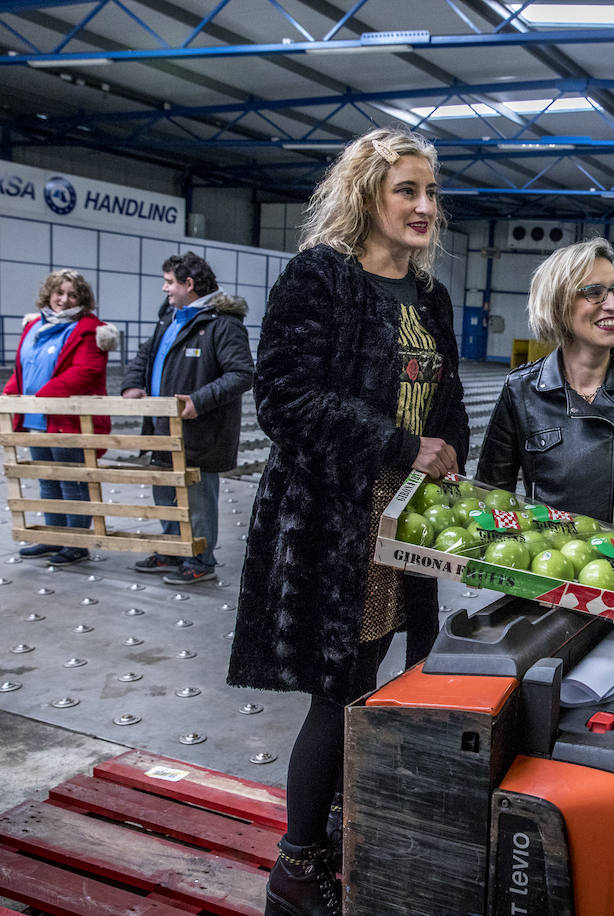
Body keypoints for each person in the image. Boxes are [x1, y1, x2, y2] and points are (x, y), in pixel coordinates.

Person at [226, 127, 469, 916]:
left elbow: (449, 399)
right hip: (336, 519)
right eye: (408, 190)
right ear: (367, 195)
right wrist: (402, 445)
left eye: (431, 192)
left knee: (399, 675)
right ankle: (298, 868)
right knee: (340, 688)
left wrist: (451, 452)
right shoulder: (318, 279)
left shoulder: (430, 297)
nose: (425, 206)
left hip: (408, 519)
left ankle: (342, 830)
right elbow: (284, 401)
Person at [475, 237, 614, 564]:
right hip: (546, 569)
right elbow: (492, 491)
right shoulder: (522, 390)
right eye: (595, 292)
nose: (613, 304)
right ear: (558, 304)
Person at [120, 252, 253, 585]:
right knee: (164, 492)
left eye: (169, 282)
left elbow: (241, 374)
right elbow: (147, 354)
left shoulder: (222, 323)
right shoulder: (170, 316)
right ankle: (171, 547)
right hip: (161, 424)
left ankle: (200, 559)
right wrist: (133, 383)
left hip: (199, 430)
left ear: (188, 284)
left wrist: (198, 400)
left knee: (196, 498)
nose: (164, 289)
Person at [3, 269, 117, 565]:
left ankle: (76, 544)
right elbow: (23, 368)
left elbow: (86, 371)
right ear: (49, 294)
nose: (64, 300)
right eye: (59, 293)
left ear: (82, 299)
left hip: (69, 420)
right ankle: (52, 538)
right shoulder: (34, 326)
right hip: (37, 420)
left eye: (72, 294)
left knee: (72, 482)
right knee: (48, 481)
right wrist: (10, 395)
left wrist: (40, 398)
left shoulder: (91, 329)